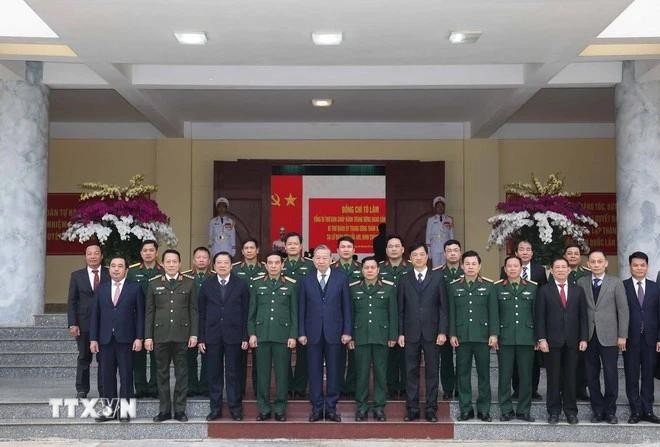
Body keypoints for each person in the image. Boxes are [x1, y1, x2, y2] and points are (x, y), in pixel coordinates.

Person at [297, 245, 352, 422]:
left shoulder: (341, 278)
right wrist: (301, 332)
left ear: (331, 259)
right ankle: (317, 407)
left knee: (335, 371)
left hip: (335, 333)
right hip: (312, 333)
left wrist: (347, 331)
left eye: (324, 257)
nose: (321, 261)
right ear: (313, 260)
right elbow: (302, 308)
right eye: (317, 258)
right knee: (314, 372)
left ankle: (331, 408)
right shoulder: (306, 279)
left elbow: (347, 307)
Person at [145, 249, 198, 423]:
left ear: (180, 264)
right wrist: (148, 337)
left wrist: (194, 334)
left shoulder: (189, 283)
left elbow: (194, 311)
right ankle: (164, 410)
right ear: (163, 264)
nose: (171, 264)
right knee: (162, 374)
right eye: (168, 261)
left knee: (182, 374)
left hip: (183, 335)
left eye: (174, 261)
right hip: (160, 336)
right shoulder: (153, 283)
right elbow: (149, 313)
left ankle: (180, 410)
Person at [89, 256, 144, 422]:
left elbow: (141, 316)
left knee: (126, 376)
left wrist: (139, 337)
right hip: (105, 339)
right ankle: (109, 410)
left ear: (126, 270)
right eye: (113, 266)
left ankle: (125, 411)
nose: (116, 269)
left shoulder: (135, 288)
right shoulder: (102, 288)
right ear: (109, 269)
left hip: (127, 339)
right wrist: (93, 339)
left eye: (120, 266)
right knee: (107, 376)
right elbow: (95, 316)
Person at [577, 249, 629, 424]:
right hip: (589, 336)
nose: (596, 264)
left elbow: (623, 310)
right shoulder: (581, 282)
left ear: (606, 263)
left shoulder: (615, 283)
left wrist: (622, 335)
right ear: (588, 264)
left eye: (600, 261)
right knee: (591, 376)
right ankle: (597, 410)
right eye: (593, 261)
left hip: (610, 336)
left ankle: (610, 410)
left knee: (610, 374)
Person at [397, 243, 448, 423]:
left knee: (432, 371)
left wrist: (443, 331)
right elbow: (400, 309)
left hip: (432, 333)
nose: (418, 258)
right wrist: (400, 332)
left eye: (421, 254)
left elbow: (443, 308)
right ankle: (412, 408)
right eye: (414, 255)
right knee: (410, 371)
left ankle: (431, 408)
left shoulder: (438, 277)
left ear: (427, 257)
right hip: (410, 333)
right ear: (410, 258)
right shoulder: (404, 279)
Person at [198, 251, 250, 421]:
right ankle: (215, 408)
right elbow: (202, 313)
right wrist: (201, 338)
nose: (222, 265)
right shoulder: (206, 285)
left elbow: (245, 313)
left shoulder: (241, 285)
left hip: (234, 335)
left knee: (234, 373)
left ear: (231, 265)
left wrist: (245, 336)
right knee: (214, 373)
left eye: (225, 262)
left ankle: (235, 408)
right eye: (218, 262)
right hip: (212, 336)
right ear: (214, 266)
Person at [536, 257, 588, 424]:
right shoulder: (544, 290)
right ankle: (553, 412)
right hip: (551, 342)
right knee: (553, 378)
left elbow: (583, 317)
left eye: (563, 267)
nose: (560, 270)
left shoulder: (578, 290)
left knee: (571, 377)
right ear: (551, 270)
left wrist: (584, 338)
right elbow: (540, 317)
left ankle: (571, 411)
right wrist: (541, 338)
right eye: (556, 267)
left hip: (573, 341)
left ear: (568, 270)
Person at [248, 252, 298, 422]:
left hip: (282, 336)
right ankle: (263, 408)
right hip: (261, 335)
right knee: (262, 374)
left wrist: (293, 335)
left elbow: (294, 314)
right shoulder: (256, 284)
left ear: (282, 265)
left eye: (277, 263)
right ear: (266, 265)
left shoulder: (291, 285)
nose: (274, 266)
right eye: (270, 263)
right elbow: (251, 313)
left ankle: (280, 408)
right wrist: (252, 333)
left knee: (282, 374)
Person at [449, 250, 498, 422]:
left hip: (483, 337)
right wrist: (452, 334)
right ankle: (465, 408)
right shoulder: (454, 286)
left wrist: (493, 334)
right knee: (462, 374)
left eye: (474, 264)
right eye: (467, 264)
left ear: (479, 266)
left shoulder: (489, 286)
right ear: (462, 266)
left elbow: (493, 312)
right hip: (462, 337)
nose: (470, 267)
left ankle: (484, 409)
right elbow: (452, 313)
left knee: (484, 374)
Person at [350, 257, 397, 421]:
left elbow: (393, 314)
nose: (369, 270)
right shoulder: (354, 288)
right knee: (361, 374)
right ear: (362, 271)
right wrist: (350, 336)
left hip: (381, 337)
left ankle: (379, 407)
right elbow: (350, 314)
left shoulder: (389, 288)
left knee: (380, 373)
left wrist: (392, 336)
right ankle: (361, 407)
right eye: (366, 268)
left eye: (372, 267)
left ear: (378, 270)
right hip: (360, 337)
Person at [500, 240, 548, 400]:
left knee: (532, 362)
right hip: (511, 327)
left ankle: (532, 389)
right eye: (521, 249)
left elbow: (542, 296)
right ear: (516, 253)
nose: (525, 252)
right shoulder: (506, 269)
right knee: (513, 364)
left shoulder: (540, 270)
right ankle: (516, 389)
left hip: (529, 324)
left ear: (532, 253)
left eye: (528, 249)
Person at [494, 255, 537, 422]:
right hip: (505, 339)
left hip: (527, 338)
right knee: (504, 376)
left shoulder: (533, 287)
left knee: (526, 377)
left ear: (521, 269)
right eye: (509, 266)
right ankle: (506, 410)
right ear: (505, 269)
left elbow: (536, 315)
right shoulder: (497, 288)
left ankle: (523, 410)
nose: (512, 268)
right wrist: (495, 335)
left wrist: (537, 338)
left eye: (515, 266)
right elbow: (494, 314)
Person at [67, 243, 109, 398]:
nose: (92, 256)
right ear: (85, 256)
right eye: (89, 253)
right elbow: (72, 301)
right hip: (83, 323)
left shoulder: (109, 273)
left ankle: (104, 389)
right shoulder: (77, 275)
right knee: (84, 357)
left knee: (104, 358)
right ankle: (82, 389)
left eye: (96, 253)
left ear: (101, 256)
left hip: (105, 323)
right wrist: (72, 323)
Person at [622, 251, 660, 424]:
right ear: (630, 266)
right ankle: (635, 411)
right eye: (635, 265)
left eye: (642, 265)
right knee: (631, 375)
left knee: (648, 375)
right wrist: (621, 336)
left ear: (647, 266)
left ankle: (648, 410)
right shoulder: (622, 286)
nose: (639, 268)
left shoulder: (655, 287)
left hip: (651, 340)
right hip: (630, 339)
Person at [127, 240, 164, 399]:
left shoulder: (163, 271)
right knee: (138, 355)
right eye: (145, 250)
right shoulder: (133, 272)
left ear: (156, 253)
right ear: (141, 253)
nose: (148, 253)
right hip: (138, 318)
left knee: (158, 355)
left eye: (151, 250)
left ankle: (155, 387)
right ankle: (140, 387)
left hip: (159, 318)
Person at [379, 235, 412, 399]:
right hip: (385, 316)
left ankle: (406, 386)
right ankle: (391, 386)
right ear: (386, 250)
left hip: (408, 315)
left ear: (403, 249)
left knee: (407, 353)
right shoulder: (379, 269)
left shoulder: (411, 268)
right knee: (390, 353)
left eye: (396, 246)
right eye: (390, 246)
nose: (393, 249)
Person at [232, 238, 266, 397]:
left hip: (261, 319)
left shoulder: (266, 268)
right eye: (246, 248)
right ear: (242, 251)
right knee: (239, 359)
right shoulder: (234, 269)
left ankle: (259, 392)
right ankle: (240, 392)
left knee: (260, 360)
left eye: (252, 247)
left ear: (257, 250)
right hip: (239, 319)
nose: (249, 250)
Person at [281, 232, 314, 399]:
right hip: (283, 314)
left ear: (301, 247)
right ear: (285, 247)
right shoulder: (278, 264)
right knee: (283, 353)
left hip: (306, 313)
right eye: (289, 244)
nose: (293, 246)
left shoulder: (310, 265)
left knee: (304, 352)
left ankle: (300, 387)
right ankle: (286, 386)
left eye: (296, 243)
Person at [432, 239, 463, 400]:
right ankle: (448, 388)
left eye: (455, 250)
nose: (452, 253)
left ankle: (461, 387)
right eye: (449, 250)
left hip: (462, 321)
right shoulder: (436, 273)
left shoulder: (467, 272)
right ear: (444, 254)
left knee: (463, 358)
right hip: (442, 322)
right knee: (445, 358)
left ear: (460, 253)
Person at [332, 236, 362, 398]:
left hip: (357, 315)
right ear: (337, 251)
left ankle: (351, 387)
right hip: (335, 316)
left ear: (354, 250)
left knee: (355, 354)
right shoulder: (331, 269)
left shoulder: (362, 268)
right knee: (337, 355)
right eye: (342, 247)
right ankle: (339, 386)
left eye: (349, 246)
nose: (345, 249)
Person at [182, 246, 214, 397]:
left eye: (204, 258)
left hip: (210, 322)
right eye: (198, 257)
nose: (201, 260)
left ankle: (206, 386)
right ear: (193, 260)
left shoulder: (215, 277)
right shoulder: (185, 277)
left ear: (209, 261)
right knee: (189, 355)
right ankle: (191, 385)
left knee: (208, 355)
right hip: (189, 322)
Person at [563, 244, 591, 401]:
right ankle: (563, 388)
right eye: (569, 253)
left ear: (580, 257)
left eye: (576, 253)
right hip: (561, 323)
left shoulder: (587, 274)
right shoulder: (557, 272)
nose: (573, 256)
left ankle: (581, 388)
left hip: (581, 321)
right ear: (565, 255)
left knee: (582, 360)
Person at [425, 196, 454, 268]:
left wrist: (452, 248)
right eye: (438, 206)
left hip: (446, 247)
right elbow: (428, 235)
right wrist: (429, 250)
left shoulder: (449, 219)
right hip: (435, 247)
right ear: (435, 208)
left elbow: (451, 234)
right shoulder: (431, 220)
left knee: (445, 266)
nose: (440, 208)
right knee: (436, 267)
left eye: (442, 206)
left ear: (444, 207)